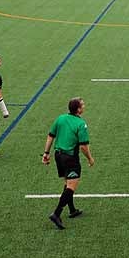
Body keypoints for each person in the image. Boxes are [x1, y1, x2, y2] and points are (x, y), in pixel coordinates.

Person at [42, 97, 94, 230]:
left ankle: (72, 210)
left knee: (67, 182)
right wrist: (90, 158)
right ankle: (56, 213)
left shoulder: (60, 118)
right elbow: (83, 146)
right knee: (72, 186)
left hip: (58, 156)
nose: (84, 106)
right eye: (82, 105)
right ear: (78, 109)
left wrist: (46, 153)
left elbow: (50, 136)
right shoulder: (81, 124)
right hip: (70, 158)